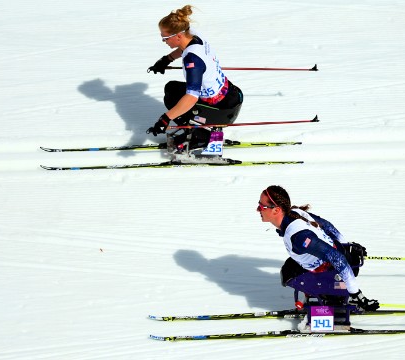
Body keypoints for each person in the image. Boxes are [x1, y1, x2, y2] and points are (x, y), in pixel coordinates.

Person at [256, 185, 380, 312]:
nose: (257, 209)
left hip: (333, 271)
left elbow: (336, 258)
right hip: (336, 259)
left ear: (276, 210)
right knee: (289, 267)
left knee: (288, 276)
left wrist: (356, 294)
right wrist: (345, 246)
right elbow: (326, 225)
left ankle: (328, 296)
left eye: (261, 206)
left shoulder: (298, 237)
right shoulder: (295, 213)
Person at [146, 5, 243, 150]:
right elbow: (183, 47)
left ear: (178, 36)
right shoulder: (192, 35)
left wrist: (165, 119)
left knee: (175, 100)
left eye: (165, 38)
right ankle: (193, 130)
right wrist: (166, 59)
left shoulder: (193, 61)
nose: (164, 41)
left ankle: (200, 137)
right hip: (229, 93)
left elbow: (191, 98)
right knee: (171, 88)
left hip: (221, 109)